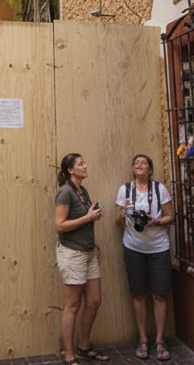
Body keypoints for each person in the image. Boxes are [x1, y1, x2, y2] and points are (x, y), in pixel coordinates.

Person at [115, 154, 175, 361]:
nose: (139, 165)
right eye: (136, 163)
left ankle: (159, 341)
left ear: (150, 170)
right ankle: (142, 339)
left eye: (144, 163)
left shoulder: (160, 189)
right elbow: (118, 222)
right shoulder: (125, 190)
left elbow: (171, 217)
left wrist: (155, 222)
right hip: (133, 247)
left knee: (160, 295)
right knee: (138, 294)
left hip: (158, 248)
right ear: (133, 169)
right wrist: (124, 212)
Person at [55, 153, 110, 363]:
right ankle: (69, 356)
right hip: (72, 253)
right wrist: (88, 217)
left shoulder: (82, 190)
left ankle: (83, 346)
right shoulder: (64, 192)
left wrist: (91, 219)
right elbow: (59, 225)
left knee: (94, 301)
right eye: (80, 164)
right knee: (73, 305)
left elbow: (84, 220)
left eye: (84, 162)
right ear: (70, 170)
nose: (85, 166)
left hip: (88, 252)